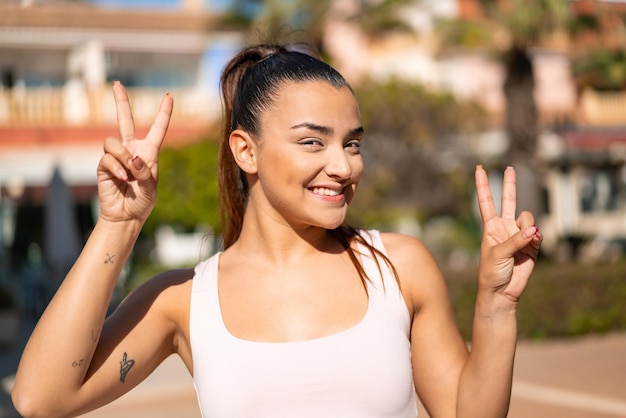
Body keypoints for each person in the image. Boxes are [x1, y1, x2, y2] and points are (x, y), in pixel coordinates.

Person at [11, 43, 542, 418]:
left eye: (352, 143)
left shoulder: (398, 267)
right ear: (246, 151)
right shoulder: (184, 301)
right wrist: (118, 225)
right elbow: (41, 399)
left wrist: (496, 308)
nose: (343, 165)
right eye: (313, 142)